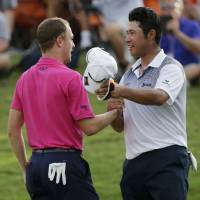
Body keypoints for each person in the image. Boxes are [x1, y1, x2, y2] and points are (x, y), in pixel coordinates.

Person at [8, 17, 119, 200]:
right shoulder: (71, 78)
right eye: (71, 38)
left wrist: (26, 168)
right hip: (64, 166)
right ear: (60, 41)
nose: (73, 44)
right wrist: (114, 113)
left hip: (36, 167)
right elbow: (89, 127)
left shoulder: (24, 78)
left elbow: (13, 131)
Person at [97, 7, 190, 200]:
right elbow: (120, 126)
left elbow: (159, 97)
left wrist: (119, 91)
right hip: (133, 164)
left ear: (151, 34)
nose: (127, 39)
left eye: (132, 33)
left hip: (166, 159)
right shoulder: (129, 74)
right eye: (126, 33)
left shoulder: (171, 67)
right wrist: (114, 111)